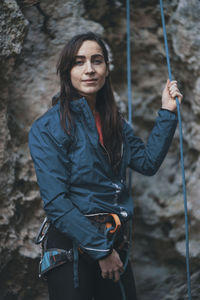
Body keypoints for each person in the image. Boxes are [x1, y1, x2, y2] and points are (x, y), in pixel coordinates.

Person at [28, 32, 183, 300]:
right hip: (72, 246)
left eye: (97, 61)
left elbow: (146, 163)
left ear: (107, 69)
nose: (89, 69)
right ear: (67, 72)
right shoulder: (47, 128)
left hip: (114, 241)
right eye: (79, 62)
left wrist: (167, 113)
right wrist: (102, 251)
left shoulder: (115, 123)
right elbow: (56, 202)